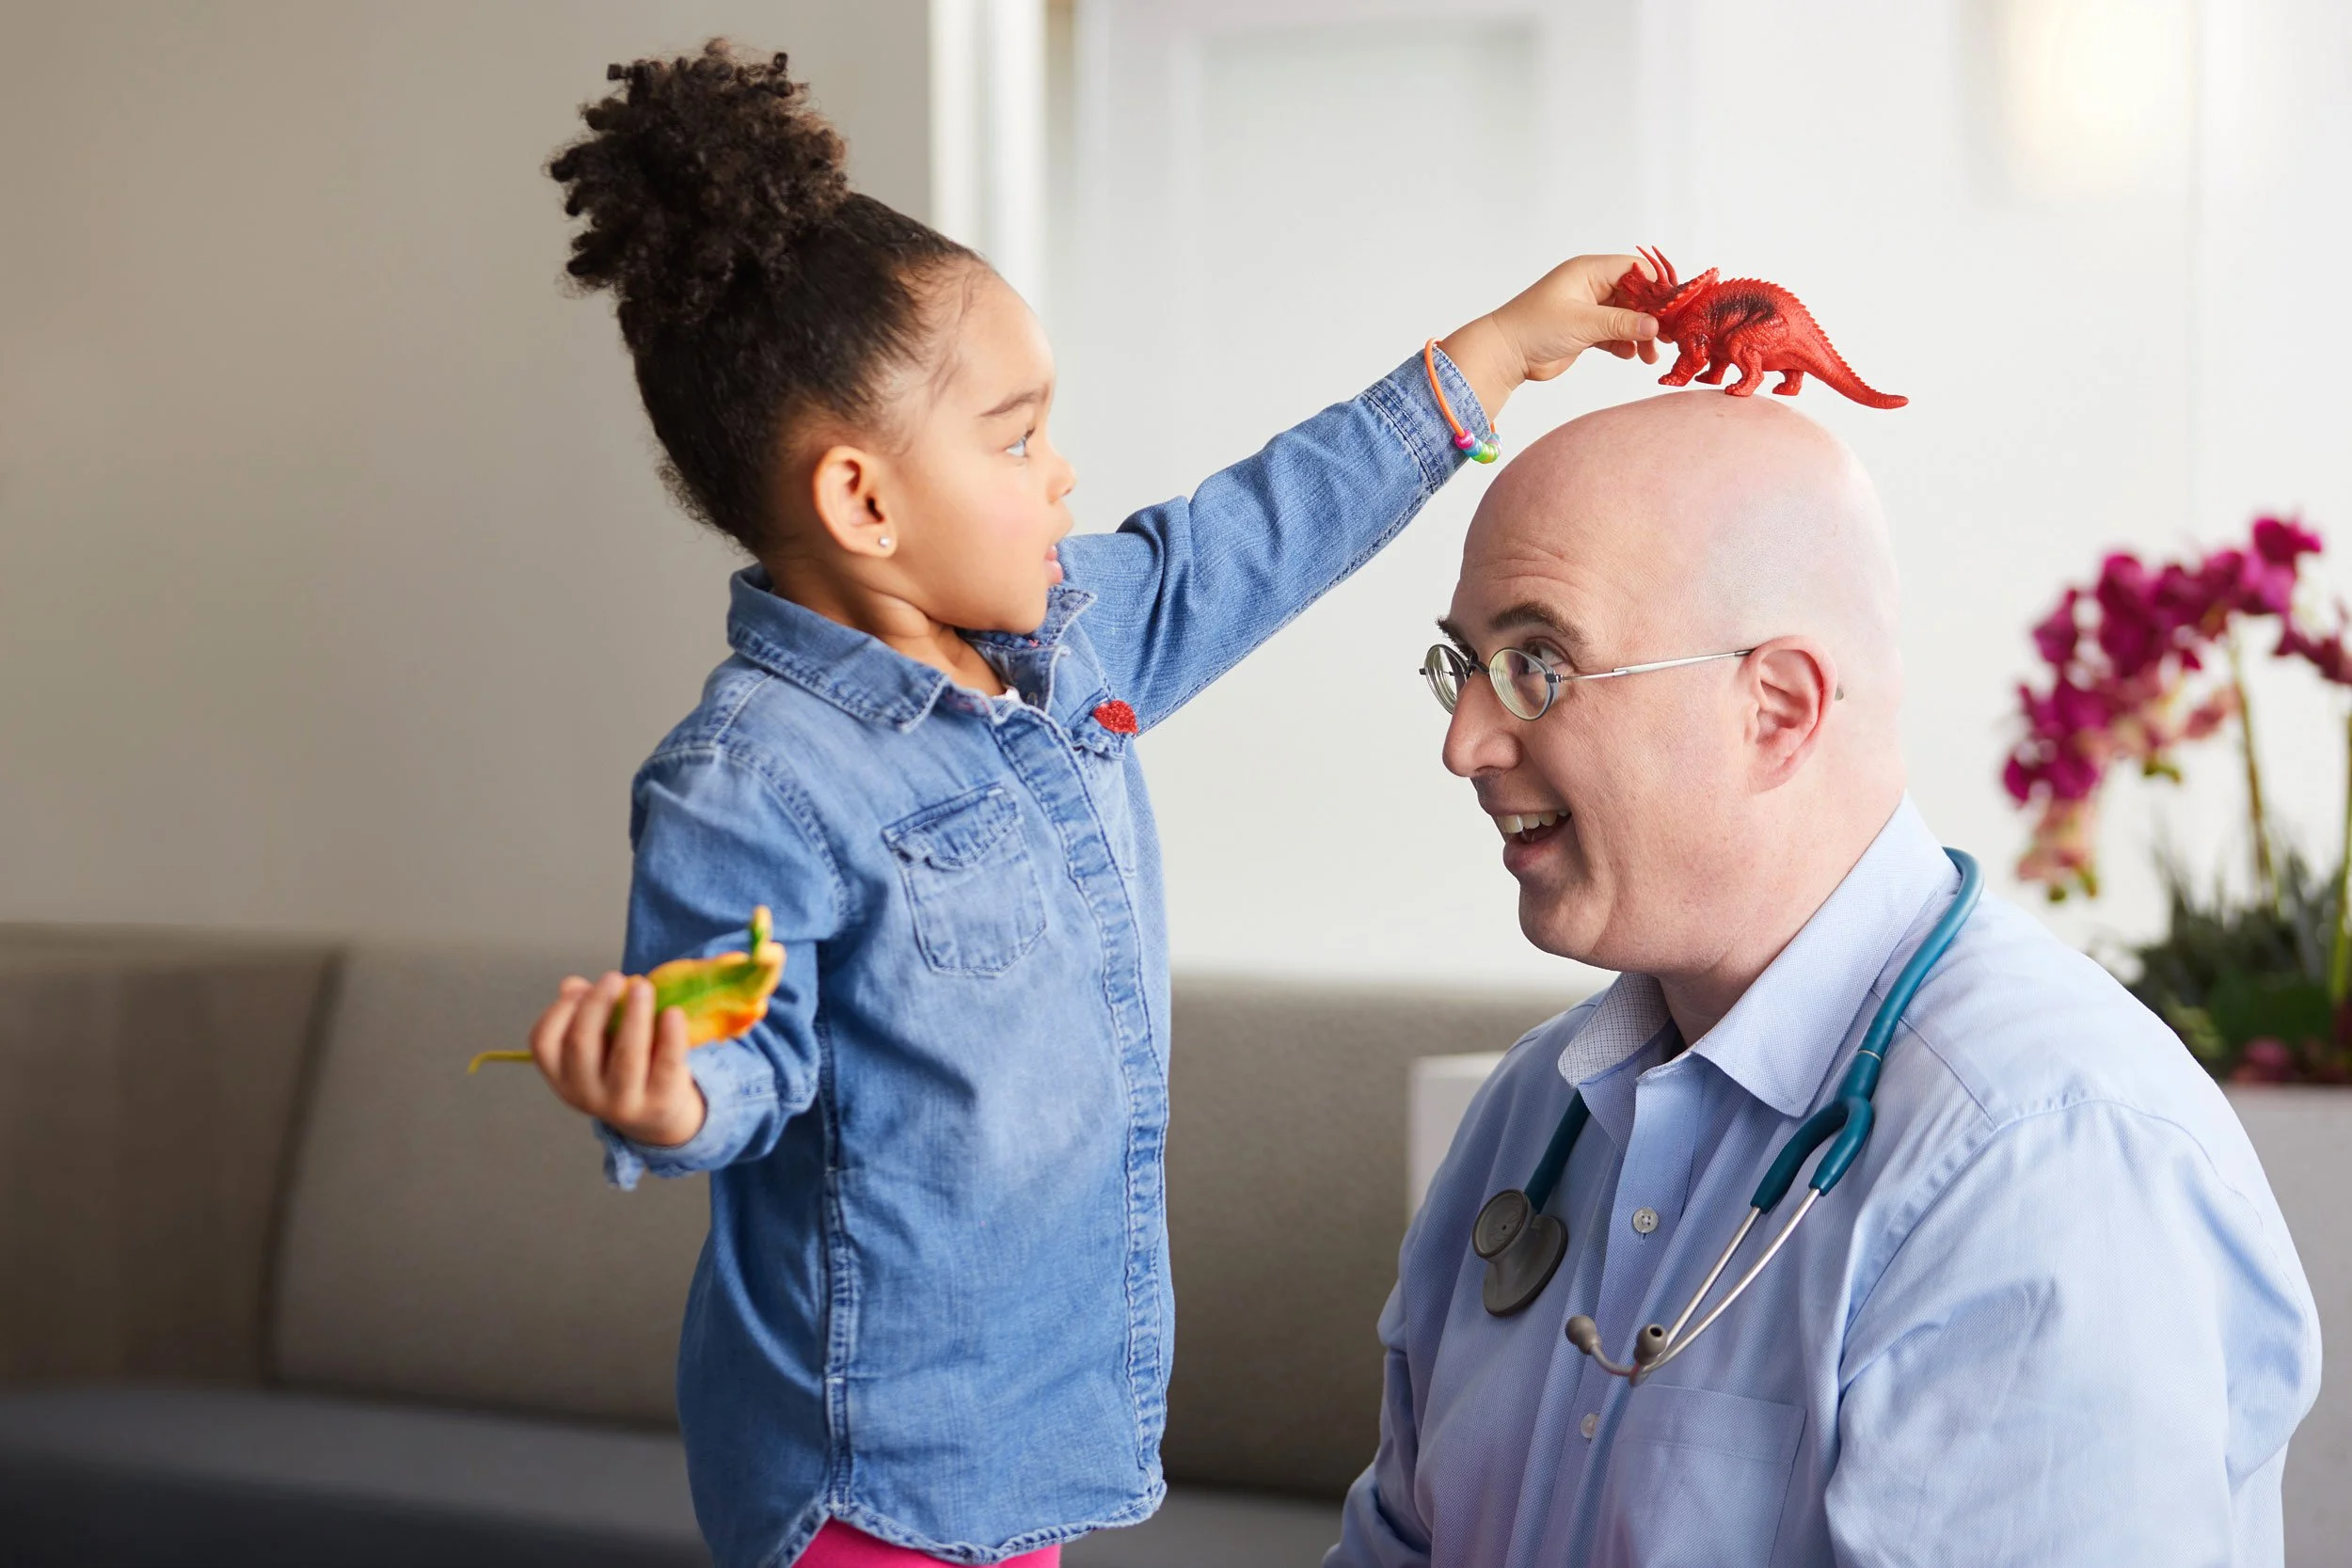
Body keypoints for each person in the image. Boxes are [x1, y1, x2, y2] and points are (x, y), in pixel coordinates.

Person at [518, 40, 1663, 1568]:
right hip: (874, 1483)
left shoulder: (1070, 641)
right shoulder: (754, 782)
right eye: (1015, 437)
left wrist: (1495, 355)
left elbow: (1255, 534)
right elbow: (740, 1046)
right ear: (863, 501)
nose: (1064, 477)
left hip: (1033, 1444)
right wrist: (673, 1096)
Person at [1330, 390, 2322, 1566]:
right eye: (1467, 664)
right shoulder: (1532, 1107)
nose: (1467, 741)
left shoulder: (2043, 1156)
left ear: (1778, 708)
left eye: (1538, 661)